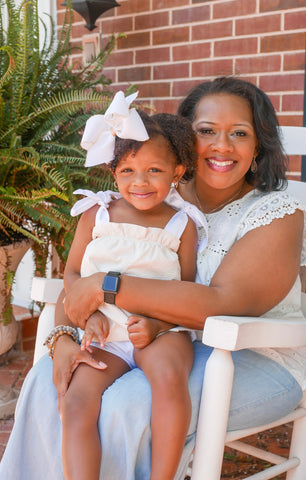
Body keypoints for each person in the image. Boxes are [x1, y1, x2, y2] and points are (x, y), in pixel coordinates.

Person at [0, 77, 306, 480]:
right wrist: (62, 338)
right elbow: (80, 275)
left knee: (127, 403)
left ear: (259, 146)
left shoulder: (278, 214)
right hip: (148, 339)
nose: (222, 146)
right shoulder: (154, 195)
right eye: (206, 132)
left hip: (253, 357)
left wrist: (106, 284)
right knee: (49, 385)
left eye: (239, 133)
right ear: (184, 143)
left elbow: (222, 304)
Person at [47, 91, 205, 480]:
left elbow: (185, 291)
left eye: (155, 170)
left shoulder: (182, 225)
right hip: (105, 333)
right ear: (113, 171)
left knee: (169, 381)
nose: (141, 182)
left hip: (161, 332)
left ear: (178, 172)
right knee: (78, 401)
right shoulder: (96, 214)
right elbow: (72, 277)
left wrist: (159, 326)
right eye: (128, 171)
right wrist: (89, 315)